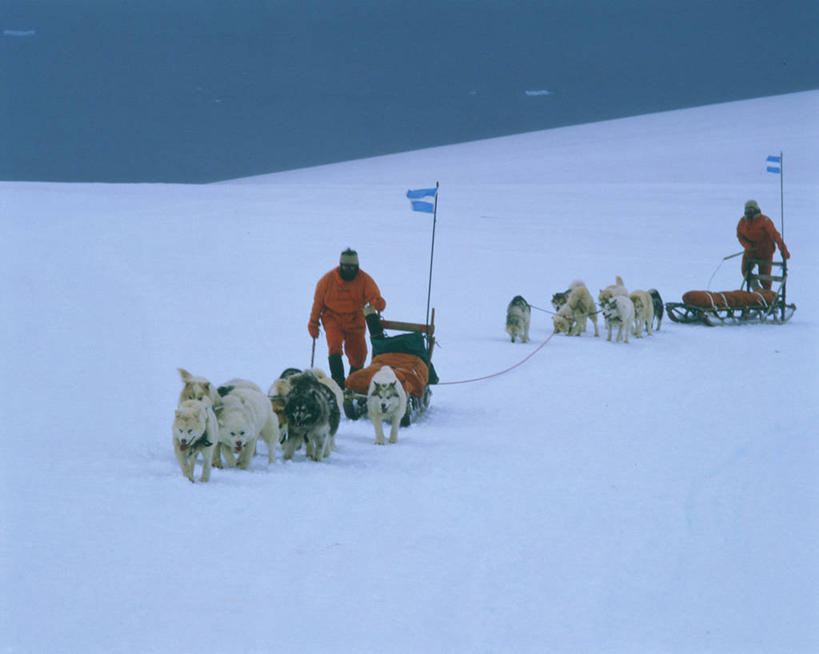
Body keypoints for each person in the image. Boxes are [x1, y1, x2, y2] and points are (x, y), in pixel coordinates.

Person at [308, 248, 386, 388]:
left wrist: (377, 302)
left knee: (359, 354)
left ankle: (352, 382)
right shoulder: (327, 281)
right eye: (346, 267)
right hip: (333, 319)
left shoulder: (364, 280)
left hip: (356, 319)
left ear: (357, 267)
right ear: (340, 266)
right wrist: (313, 323)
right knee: (334, 347)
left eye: (352, 267)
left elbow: (374, 296)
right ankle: (338, 382)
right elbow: (318, 304)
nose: (349, 270)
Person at [736, 200, 790, 290]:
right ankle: (757, 290)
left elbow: (775, 236)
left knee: (765, 278)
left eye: (751, 211)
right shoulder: (742, 221)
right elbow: (740, 236)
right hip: (751, 252)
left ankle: (767, 295)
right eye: (747, 211)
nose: (749, 214)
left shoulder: (764, 221)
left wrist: (783, 250)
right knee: (745, 271)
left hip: (765, 252)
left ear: (756, 211)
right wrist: (747, 246)